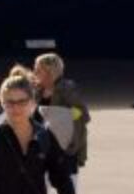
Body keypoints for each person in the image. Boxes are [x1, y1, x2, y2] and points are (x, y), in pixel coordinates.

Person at [33, 53, 91, 181]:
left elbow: (83, 113)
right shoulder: (36, 90)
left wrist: (58, 116)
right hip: (42, 146)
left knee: (69, 185)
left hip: (65, 147)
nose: (34, 72)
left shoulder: (66, 88)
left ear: (50, 71)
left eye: (38, 69)